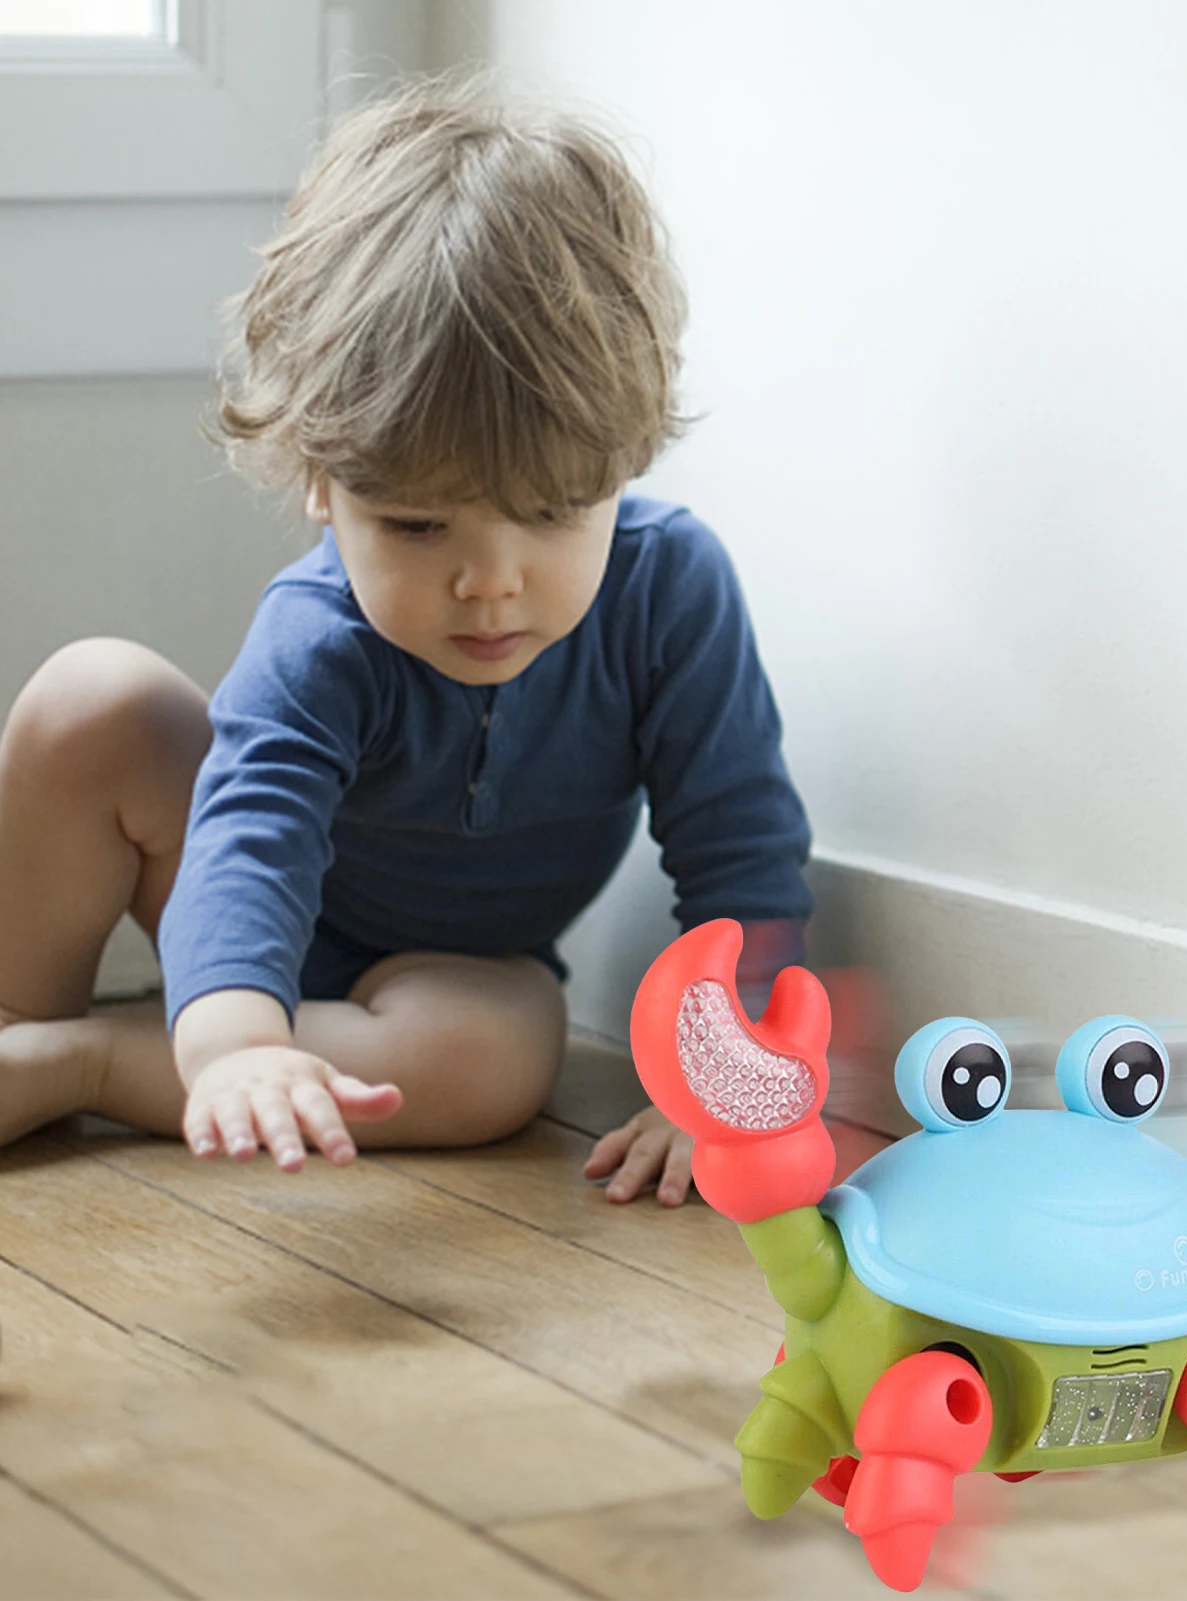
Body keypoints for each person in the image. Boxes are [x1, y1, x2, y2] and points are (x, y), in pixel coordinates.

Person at [0, 77, 811, 1206]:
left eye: (547, 511)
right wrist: (236, 1038)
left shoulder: (671, 590)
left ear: (622, 466)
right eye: (419, 525)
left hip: (448, 975)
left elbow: (741, 860)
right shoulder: (319, 634)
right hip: (233, 910)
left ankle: (81, 1058)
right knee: (92, 699)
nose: (488, 581)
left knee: (494, 1061)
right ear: (323, 485)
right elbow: (250, 837)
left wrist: (720, 1084)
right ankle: (22, 1029)